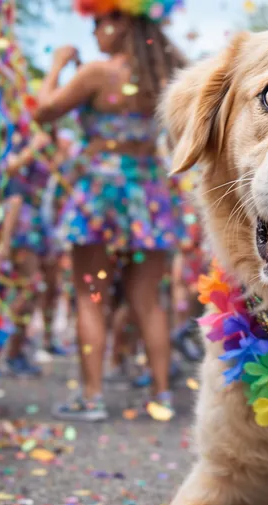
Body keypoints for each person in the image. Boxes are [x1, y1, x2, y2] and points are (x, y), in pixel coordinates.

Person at [30, 0, 187, 421]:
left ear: (123, 21)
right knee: (148, 299)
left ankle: (92, 397)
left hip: (100, 191)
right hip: (148, 191)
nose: (95, 30)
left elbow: (43, 113)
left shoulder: (98, 73)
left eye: (100, 21)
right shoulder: (163, 77)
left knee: (90, 295)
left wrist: (57, 65)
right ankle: (161, 395)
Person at [0, 123, 70, 374]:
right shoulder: (21, 136)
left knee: (41, 288)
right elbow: (7, 169)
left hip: (42, 224)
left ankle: (17, 350)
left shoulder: (52, 141)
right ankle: (5, 349)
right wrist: (32, 147)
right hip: (22, 223)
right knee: (30, 287)